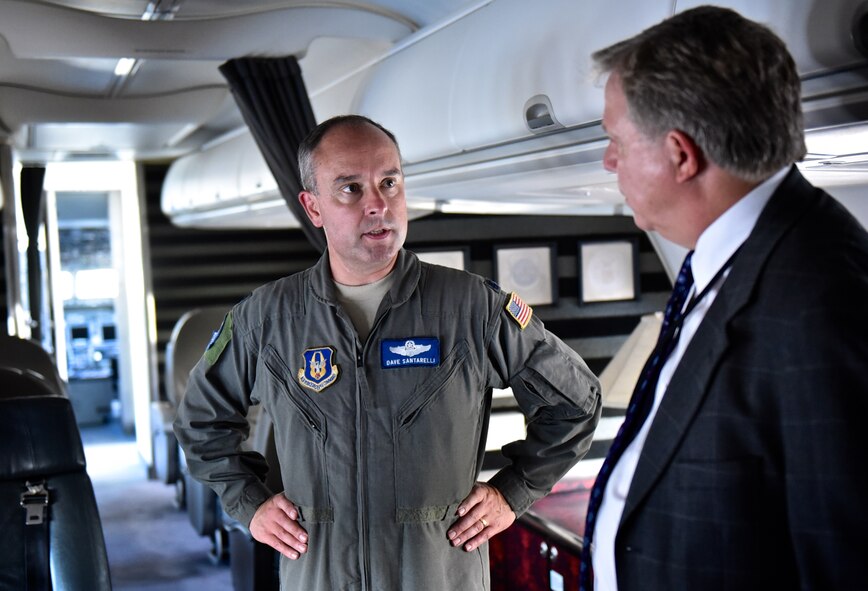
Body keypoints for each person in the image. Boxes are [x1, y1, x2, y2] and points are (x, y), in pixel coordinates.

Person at [174, 114, 602, 590]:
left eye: (389, 182)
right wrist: (248, 502)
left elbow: (576, 402)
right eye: (350, 189)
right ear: (313, 208)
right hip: (319, 577)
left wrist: (514, 491)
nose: (378, 204)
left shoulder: (470, 307)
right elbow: (200, 422)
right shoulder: (267, 318)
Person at [580, 6, 868, 591]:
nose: (609, 162)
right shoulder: (732, 263)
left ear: (681, 155)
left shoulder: (822, 303)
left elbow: (846, 562)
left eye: (615, 141)